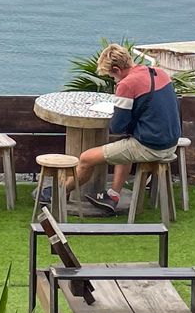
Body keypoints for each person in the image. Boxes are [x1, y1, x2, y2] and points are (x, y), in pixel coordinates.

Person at [72, 44, 182, 211]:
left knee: (86, 158)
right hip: (171, 142)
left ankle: (57, 193)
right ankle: (113, 196)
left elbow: (117, 127)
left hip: (151, 146)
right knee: (125, 145)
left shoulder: (127, 84)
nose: (113, 79)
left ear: (116, 69)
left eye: (111, 75)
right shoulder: (159, 72)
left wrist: (120, 104)